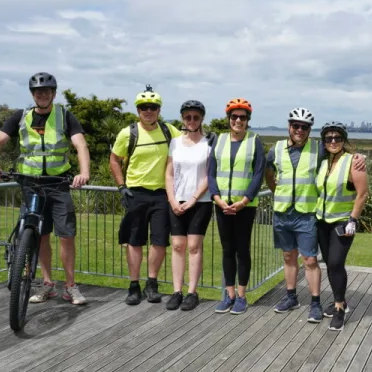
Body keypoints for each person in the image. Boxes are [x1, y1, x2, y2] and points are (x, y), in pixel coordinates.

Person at [0, 72, 91, 305]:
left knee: (66, 236)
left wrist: (84, 172)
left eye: (46, 92)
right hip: (30, 183)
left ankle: (71, 286)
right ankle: (47, 284)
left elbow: (80, 144)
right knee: (40, 236)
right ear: (33, 95)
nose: (42, 95)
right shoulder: (21, 117)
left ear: (53, 94)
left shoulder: (64, 116)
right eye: (38, 92)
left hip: (58, 183)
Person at [266, 108, 367, 323]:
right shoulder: (277, 149)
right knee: (288, 256)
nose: (299, 130)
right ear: (289, 126)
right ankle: (291, 297)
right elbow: (267, 172)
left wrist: (359, 156)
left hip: (308, 214)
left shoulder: (318, 149)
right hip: (285, 213)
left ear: (310, 130)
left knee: (311, 259)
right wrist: (277, 191)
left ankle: (316, 303)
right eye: (296, 125)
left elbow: (343, 156)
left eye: (304, 127)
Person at [109, 85, 181, 306]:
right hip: (136, 193)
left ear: (159, 110)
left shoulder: (170, 131)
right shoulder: (127, 133)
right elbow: (114, 160)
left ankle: (152, 283)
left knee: (159, 241)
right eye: (144, 107)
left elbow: (188, 144)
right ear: (138, 110)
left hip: (161, 194)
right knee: (134, 241)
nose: (148, 111)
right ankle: (133, 286)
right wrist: (122, 186)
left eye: (153, 107)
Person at [208, 98, 265, 314]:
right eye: (234, 117)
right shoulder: (219, 140)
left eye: (242, 117)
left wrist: (244, 201)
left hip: (245, 206)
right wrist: (217, 198)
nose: (238, 120)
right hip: (222, 205)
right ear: (229, 119)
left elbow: (258, 174)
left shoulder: (254, 141)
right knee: (227, 249)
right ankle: (228, 294)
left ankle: (241, 296)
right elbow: (211, 172)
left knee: (242, 250)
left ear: (248, 120)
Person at [315, 121, 369, 331]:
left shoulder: (353, 162)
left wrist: (353, 220)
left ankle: (339, 309)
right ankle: (341, 300)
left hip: (342, 222)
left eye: (337, 138)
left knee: (336, 263)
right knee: (329, 263)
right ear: (324, 142)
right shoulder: (324, 161)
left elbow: (362, 194)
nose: (333, 141)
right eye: (329, 138)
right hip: (322, 220)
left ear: (344, 140)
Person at [164, 100, 213, 311]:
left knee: (193, 247)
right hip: (177, 200)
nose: (191, 121)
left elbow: (209, 175)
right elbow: (169, 173)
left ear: (201, 119)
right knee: (177, 246)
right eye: (187, 117)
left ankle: (192, 291)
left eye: (195, 117)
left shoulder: (208, 144)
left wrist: (193, 198)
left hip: (200, 201)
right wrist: (172, 200)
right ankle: (177, 291)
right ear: (182, 118)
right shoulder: (175, 143)